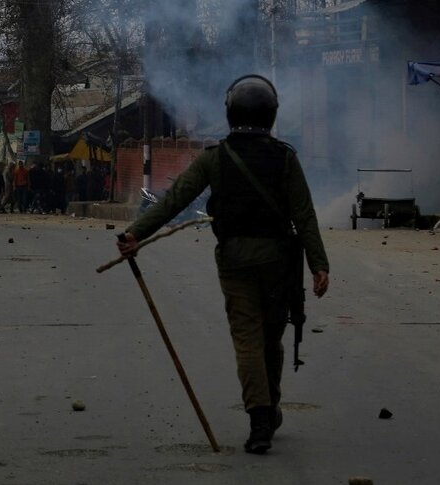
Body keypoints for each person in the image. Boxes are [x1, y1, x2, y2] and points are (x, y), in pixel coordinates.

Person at [115, 74, 330, 455]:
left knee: (247, 339)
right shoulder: (285, 158)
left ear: (230, 113)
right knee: (270, 339)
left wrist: (136, 234)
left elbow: (174, 199)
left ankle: (260, 420)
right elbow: (305, 216)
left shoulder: (216, 158)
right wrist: (319, 264)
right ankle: (268, 409)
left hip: (234, 261)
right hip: (279, 262)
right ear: (272, 114)